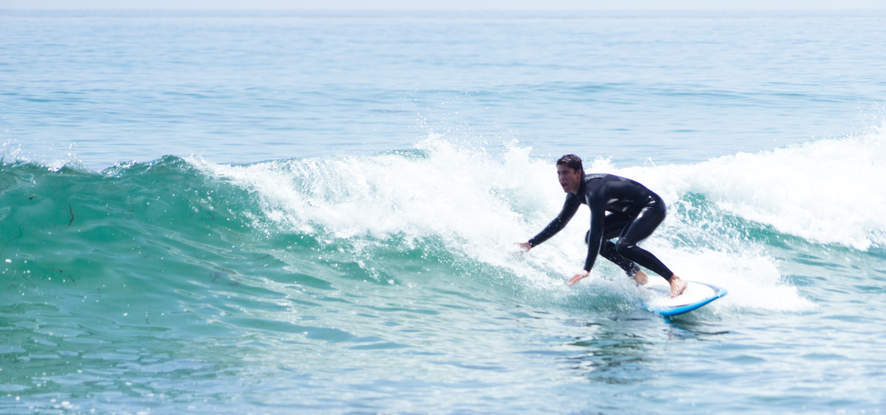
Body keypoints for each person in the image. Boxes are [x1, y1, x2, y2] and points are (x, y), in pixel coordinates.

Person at [517, 154, 687, 297]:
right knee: (591, 238)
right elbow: (560, 222)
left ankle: (674, 279)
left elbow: (597, 228)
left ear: (578, 173)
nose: (561, 178)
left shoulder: (594, 191)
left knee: (623, 245)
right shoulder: (575, 194)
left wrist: (586, 269)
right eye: (559, 173)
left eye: (566, 173)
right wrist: (530, 244)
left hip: (651, 207)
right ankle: (636, 273)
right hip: (630, 213)